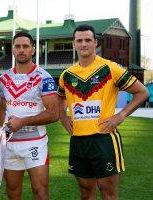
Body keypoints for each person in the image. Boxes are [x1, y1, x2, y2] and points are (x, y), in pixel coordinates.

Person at [57, 24, 149, 200]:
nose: (84, 44)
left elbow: (142, 92)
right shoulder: (66, 75)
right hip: (78, 140)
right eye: (80, 40)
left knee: (109, 194)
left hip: (104, 139)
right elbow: (60, 97)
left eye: (88, 40)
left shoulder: (110, 68)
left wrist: (120, 115)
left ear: (95, 43)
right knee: (85, 193)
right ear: (73, 44)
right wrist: (63, 116)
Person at [0, 31, 59, 200]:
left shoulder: (43, 78)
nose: (21, 50)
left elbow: (54, 113)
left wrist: (23, 122)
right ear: (12, 49)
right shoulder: (4, 78)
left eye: (26, 46)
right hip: (10, 143)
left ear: (33, 50)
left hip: (35, 142)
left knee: (40, 191)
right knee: (13, 191)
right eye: (18, 46)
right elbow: (3, 108)